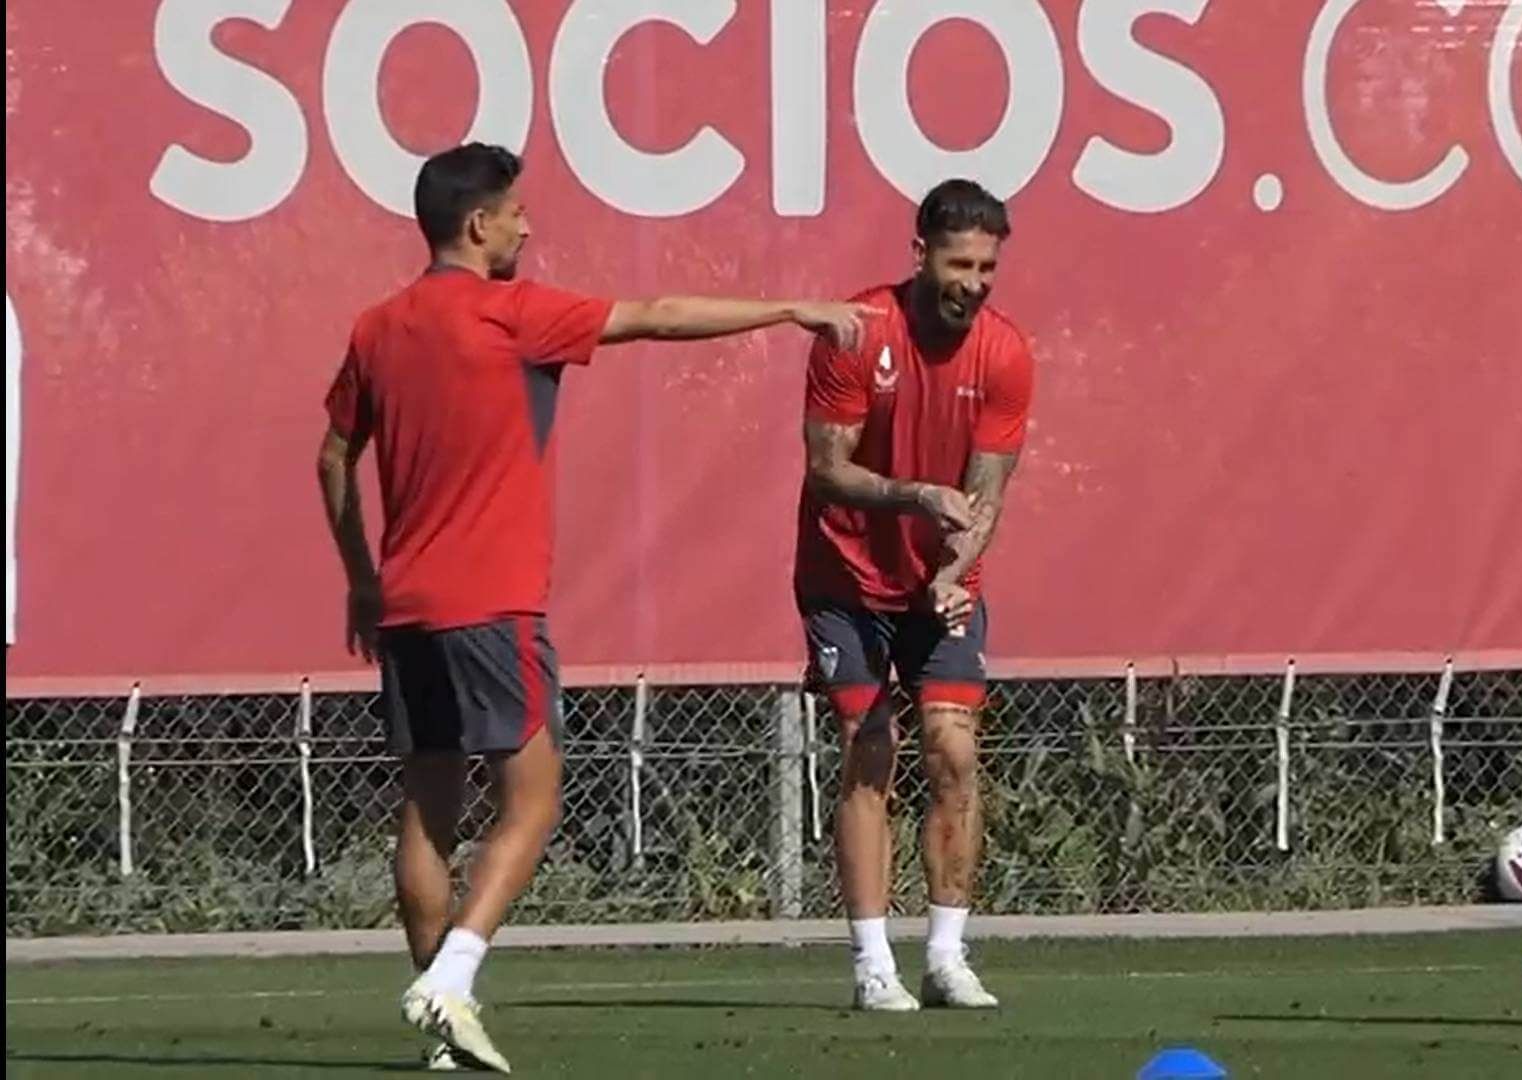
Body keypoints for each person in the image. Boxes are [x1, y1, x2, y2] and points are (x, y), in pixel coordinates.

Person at [317, 142, 876, 1071]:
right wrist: (790, 308)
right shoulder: (509, 314)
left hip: (408, 609)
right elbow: (657, 315)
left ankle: (443, 1030)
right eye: (518, 212)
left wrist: (362, 579)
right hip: (492, 607)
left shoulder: (377, 328)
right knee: (533, 802)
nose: (528, 226)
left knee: (426, 814)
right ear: (478, 224)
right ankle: (451, 980)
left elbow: (333, 456)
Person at [796, 178, 1035, 1012]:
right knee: (870, 750)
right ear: (919, 253)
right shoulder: (859, 334)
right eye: (958, 262)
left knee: (953, 750)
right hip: (844, 577)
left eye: (987, 266)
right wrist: (914, 498)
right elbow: (826, 470)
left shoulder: (1005, 354)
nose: (973, 281)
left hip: (939, 586)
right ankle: (872, 965)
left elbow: (987, 492)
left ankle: (946, 954)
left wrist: (951, 571)